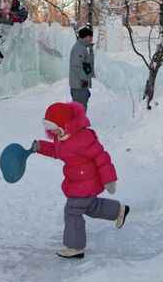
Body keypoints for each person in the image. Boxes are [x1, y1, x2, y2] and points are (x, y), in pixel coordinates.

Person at [31, 102, 129, 258]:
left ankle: (75, 247)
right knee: (91, 208)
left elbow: (101, 157)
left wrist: (109, 179)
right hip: (77, 180)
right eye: (50, 130)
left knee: (72, 211)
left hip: (87, 181)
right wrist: (41, 147)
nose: (53, 132)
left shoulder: (82, 138)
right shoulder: (61, 137)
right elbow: (58, 152)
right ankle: (119, 210)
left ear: (64, 124)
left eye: (55, 128)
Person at [69, 27, 95, 111]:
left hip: (81, 84)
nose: (91, 39)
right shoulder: (79, 48)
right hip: (79, 84)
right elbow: (76, 65)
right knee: (79, 107)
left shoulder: (82, 47)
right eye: (90, 36)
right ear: (85, 37)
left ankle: (80, 123)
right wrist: (84, 79)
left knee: (81, 105)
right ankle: (79, 123)